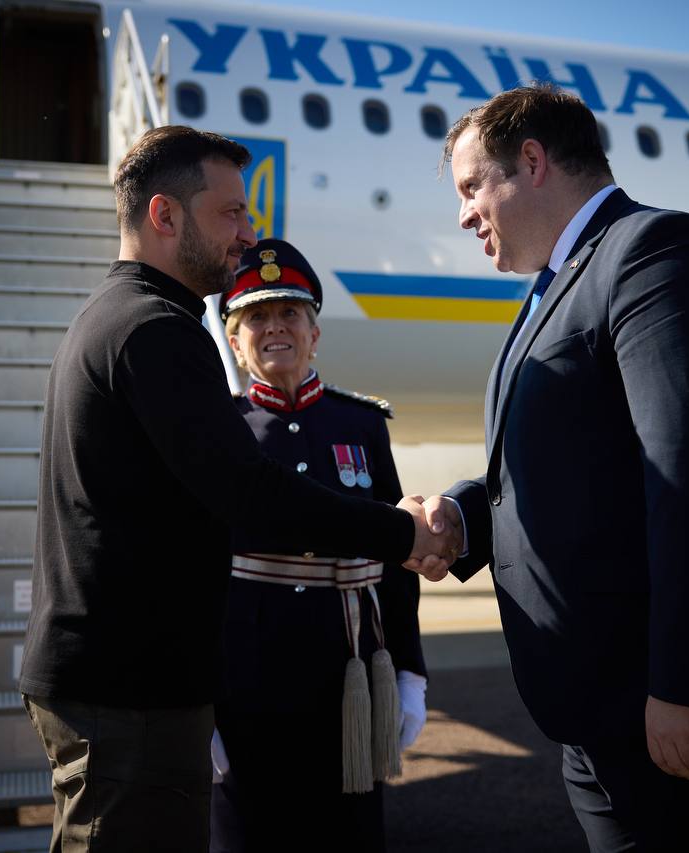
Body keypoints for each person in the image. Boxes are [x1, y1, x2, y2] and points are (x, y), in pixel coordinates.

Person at [408, 85, 689, 851]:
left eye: (472, 187)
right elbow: (573, 465)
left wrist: (687, 685)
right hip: (608, 704)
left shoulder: (653, 252)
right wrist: (461, 517)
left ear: (534, 162)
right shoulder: (563, 278)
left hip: (676, 703)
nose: (463, 214)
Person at [19, 126, 452, 853]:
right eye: (231, 214)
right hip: (132, 692)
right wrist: (403, 533)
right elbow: (253, 495)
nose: (247, 235)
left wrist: (404, 666)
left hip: (132, 679)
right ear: (165, 216)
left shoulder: (119, 316)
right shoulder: (154, 330)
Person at [209, 239, 427, 853]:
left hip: (347, 676)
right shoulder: (219, 430)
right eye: (256, 317)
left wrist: (410, 672)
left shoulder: (360, 425)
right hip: (244, 683)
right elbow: (189, 571)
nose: (274, 328)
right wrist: (193, 702)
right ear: (234, 339)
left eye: (289, 314)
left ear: (315, 332)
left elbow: (397, 558)